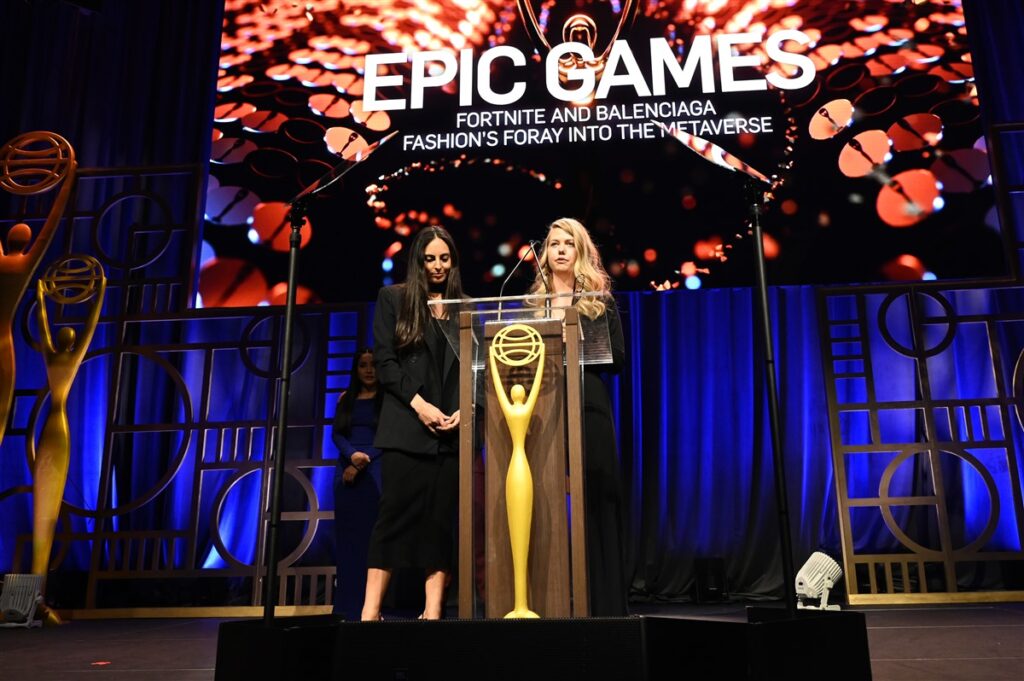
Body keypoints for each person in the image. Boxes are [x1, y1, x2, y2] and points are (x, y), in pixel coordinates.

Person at [361, 225, 463, 621]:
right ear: (418, 261)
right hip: (406, 427)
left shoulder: (467, 307)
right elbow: (385, 363)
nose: (437, 266)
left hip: (450, 432)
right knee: (392, 520)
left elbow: (478, 368)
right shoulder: (394, 298)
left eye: (444, 258)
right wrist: (420, 405)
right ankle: (370, 612)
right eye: (430, 258)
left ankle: (433, 611)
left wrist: (466, 409)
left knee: (440, 524)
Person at [530, 217, 628, 616]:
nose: (560, 250)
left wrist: (580, 343)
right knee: (544, 504)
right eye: (554, 243)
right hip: (543, 408)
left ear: (581, 251)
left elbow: (618, 358)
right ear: (545, 253)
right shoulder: (532, 305)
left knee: (597, 503)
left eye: (568, 243)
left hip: (588, 406)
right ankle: (549, 602)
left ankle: (605, 606)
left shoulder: (598, 301)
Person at [332, 347, 383, 620]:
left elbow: (387, 437)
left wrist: (362, 461)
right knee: (348, 541)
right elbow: (337, 435)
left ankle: (372, 606)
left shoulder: (387, 400)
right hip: (346, 471)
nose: (369, 370)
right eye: (363, 365)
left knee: (373, 540)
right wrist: (352, 456)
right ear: (356, 369)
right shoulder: (346, 398)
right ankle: (347, 607)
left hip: (376, 468)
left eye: (373, 364)